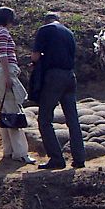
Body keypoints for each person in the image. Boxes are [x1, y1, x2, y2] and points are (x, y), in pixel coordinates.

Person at [31, 12, 86, 169]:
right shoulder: (69, 33)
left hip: (54, 77)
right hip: (70, 76)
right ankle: (79, 158)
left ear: (45, 20)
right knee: (73, 119)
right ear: (58, 20)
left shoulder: (44, 30)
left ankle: (56, 158)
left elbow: (34, 57)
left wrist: (38, 61)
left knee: (44, 119)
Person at [0, 7, 36, 164]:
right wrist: (8, 77)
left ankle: (8, 151)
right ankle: (21, 153)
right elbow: (3, 55)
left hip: (0, 72)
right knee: (14, 114)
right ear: (8, 19)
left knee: (6, 114)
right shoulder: (3, 33)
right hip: (4, 73)